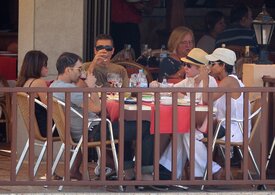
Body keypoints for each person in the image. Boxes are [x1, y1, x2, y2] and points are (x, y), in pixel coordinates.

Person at [50, 52, 154, 180]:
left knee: (123, 124)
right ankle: (146, 174)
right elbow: (97, 107)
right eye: (79, 69)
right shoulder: (69, 90)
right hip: (91, 131)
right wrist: (91, 86)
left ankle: (128, 171)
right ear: (68, 70)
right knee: (147, 127)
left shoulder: (54, 86)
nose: (81, 72)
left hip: (83, 130)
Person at [181, 47, 251, 179]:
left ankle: (211, 170)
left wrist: (205, 78)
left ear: (223, 65)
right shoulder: (227, 81)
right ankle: (210, 170)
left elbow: (206, 99)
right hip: (226, 126)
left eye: (213, 64)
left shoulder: (229, 81)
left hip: (233, 129)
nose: (210, 67)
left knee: (188, 132)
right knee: (187, 131)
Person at [150, 48, 218, 179]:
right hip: (195, 121)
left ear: (199, 69)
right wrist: (159, 85)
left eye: (188, 65)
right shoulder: (190, 80)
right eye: (184, 64)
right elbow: (173, 89)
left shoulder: (209, 81)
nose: (184, 68)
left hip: (209, 122)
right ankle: (171, 171)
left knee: (184, 130)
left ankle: (172, 170)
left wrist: (181, 96)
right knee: (182, 130)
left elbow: (201, 103)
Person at [16, 50, 61, 180]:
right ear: (37, 66)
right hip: (46, 128)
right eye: (45, 65)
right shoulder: (39, 83)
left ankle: (51, 172)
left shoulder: (25, 83)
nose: (47, 68)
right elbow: (50, 106)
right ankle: (76, 172)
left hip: (36, 127)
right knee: (80, 130)